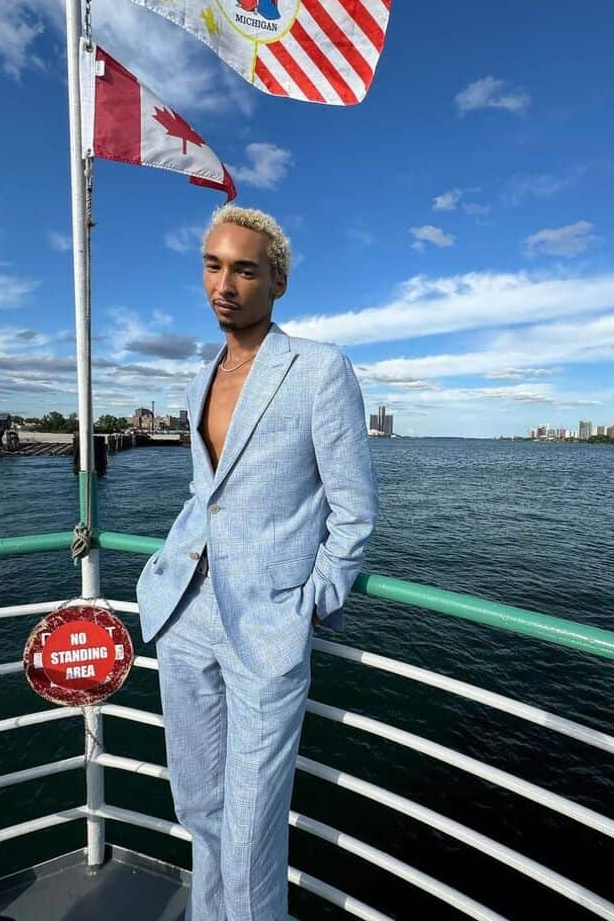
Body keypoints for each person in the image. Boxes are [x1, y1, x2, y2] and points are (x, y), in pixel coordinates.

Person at [134, 205, 378, 921]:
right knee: (199, 805)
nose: (225, 283)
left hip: (267, 624)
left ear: (277, 282)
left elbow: (355, 509)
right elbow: (204, 490)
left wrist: (309, 601)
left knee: (248, 832)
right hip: (185, 612)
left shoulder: (320, 370)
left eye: (244, 269)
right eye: (213, 265)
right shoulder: (198, 377)